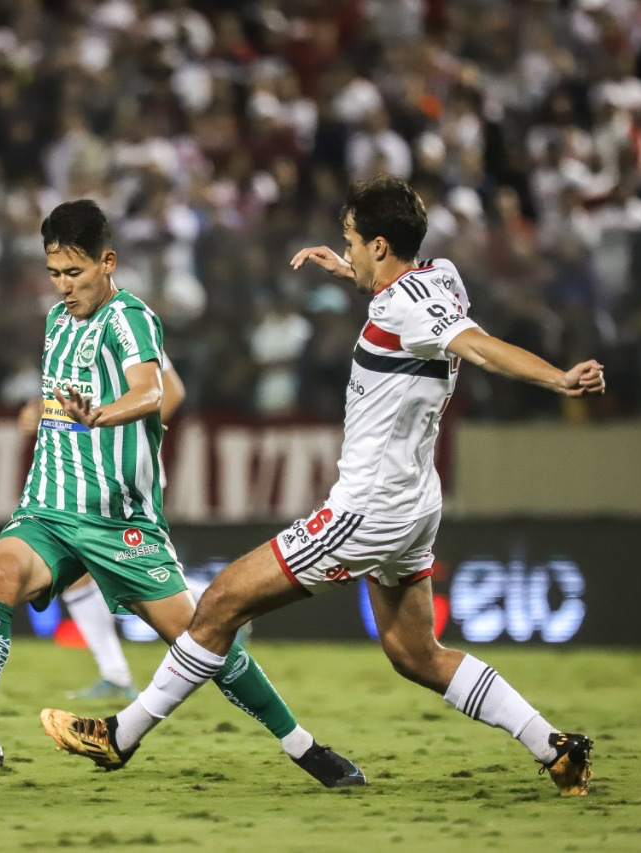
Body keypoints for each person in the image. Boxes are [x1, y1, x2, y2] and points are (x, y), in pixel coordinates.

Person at [41, 176, 605, 797]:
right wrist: (349, 271)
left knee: (222, 601)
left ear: (383, 246)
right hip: (417, 502)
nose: (350, 249)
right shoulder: (441, 276)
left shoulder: (405, 306)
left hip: (367, 508)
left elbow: (478, 345)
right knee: (415, 653)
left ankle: (120, 736)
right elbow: (424, 302)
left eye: (354, 241)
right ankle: (552, 746)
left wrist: (559, 380)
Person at [0, 199, 361, 787]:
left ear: (108, 262)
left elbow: (153, 392)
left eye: (75, 273)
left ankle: (305, 748)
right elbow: (72, 401)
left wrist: (100, 416)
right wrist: (47, 412)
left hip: (121, 522)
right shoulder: (55, 322)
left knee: (204, 638)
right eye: (55, 273)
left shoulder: (130, 318)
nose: (64, 286)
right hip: (48, 508)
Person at [18, 357, 187, 701]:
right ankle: (116, 674)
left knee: (126, 568)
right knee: (88, 568)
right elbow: (79, 397)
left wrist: (129, 441)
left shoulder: (124, 322)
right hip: (87, 474)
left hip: (120, 476)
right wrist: (42, 412)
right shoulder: (69, 331)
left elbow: (170, 391)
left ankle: (219, 609)